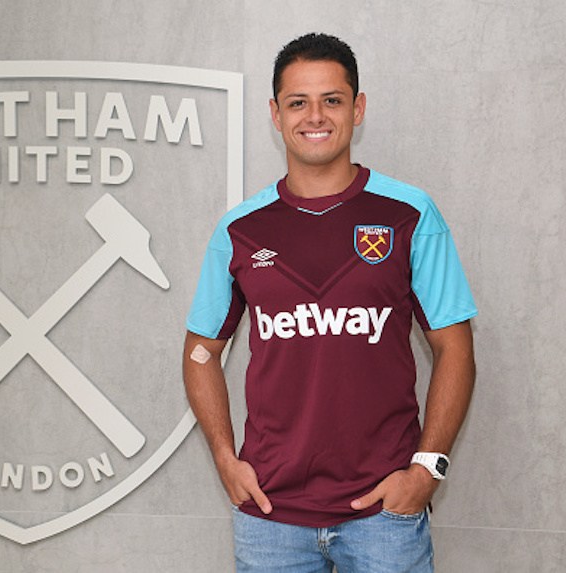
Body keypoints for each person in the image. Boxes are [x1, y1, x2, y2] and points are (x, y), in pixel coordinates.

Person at [182, 33, 477, 572]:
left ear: (357, 108)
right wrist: (226, 459)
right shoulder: (240, 229)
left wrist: (426, 470)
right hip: (270, 515)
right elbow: (201, 351)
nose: (314, 116)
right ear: (275, 113)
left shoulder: (409, 214)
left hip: (385, 514)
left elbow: (454, 348)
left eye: (332, 100)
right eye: (298, 102)